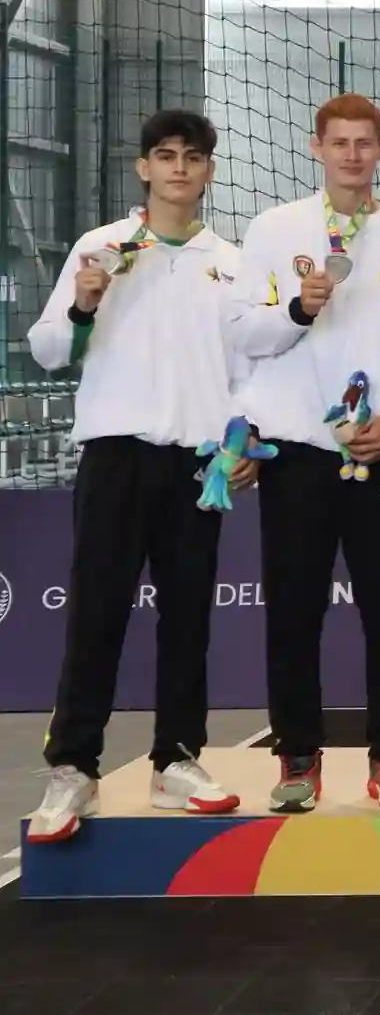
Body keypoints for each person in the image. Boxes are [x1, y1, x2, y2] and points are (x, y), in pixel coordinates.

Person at [24, 111, 249, 840]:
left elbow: (249, 371)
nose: (179, 167)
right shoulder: (101, 247)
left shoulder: (234, 263)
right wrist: (84, 302)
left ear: (209, 171)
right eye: (166, 155)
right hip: (115, 456)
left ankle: (176, 760)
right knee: (96, 615)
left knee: (188, 619)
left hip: (198, 465)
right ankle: (73, 768)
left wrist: (241, 440)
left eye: (193, 156)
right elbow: (49, 350)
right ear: (143, 167)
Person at [233, 94, 380, 811]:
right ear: (316, 147)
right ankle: (298, 759)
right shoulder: (275, 229)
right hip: (299, 452)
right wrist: (297, 309)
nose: (353, 155)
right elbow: (244, 334)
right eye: (340, 143)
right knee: (294, 613)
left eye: (365, 143)